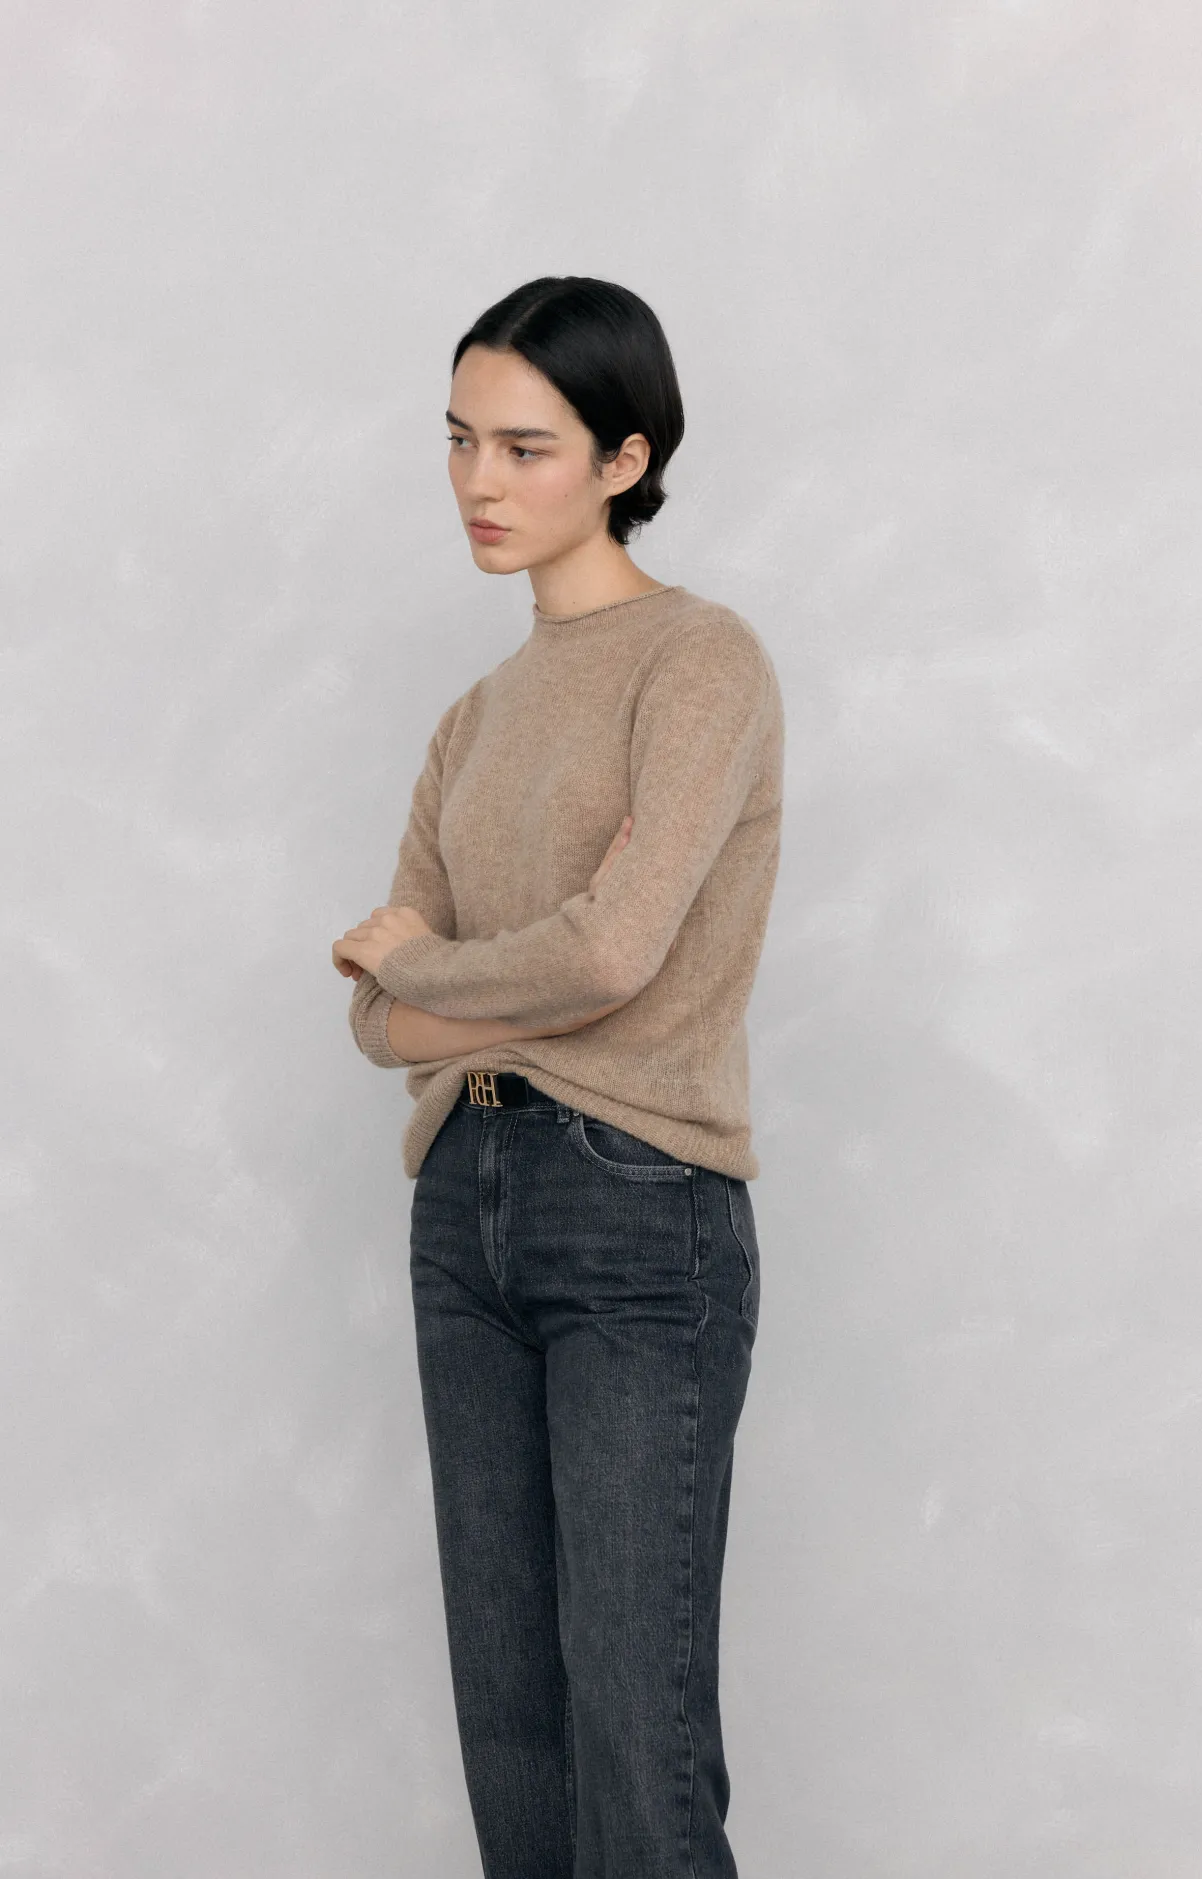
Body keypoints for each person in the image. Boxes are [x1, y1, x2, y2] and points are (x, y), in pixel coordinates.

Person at [331, 275, 784, 1878]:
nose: (479, 480)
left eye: (525, 447)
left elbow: (613, 953)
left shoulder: (701, 662)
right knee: (513, 1732)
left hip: (637, 1205)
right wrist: (457, 992)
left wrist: (432, 970)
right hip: (463, 1206)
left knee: (634, 1742)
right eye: (460, 439)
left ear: (624, 457)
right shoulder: (470, 722)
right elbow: (376, 1026)